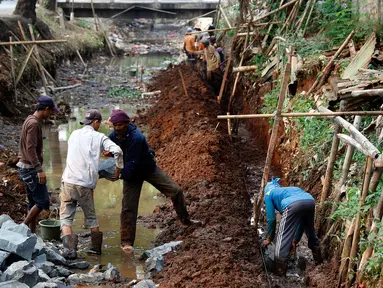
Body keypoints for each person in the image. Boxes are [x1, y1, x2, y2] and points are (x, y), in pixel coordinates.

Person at [108, 109, 197, 253]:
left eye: (120, 125)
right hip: (132, 175)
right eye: (114, 125)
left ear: (126, 124)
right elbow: (108, 149)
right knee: (128, 207)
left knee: (176, 191)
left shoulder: (137, 138)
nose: (117, 128)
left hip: (147, 169)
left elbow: (132, 163)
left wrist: (118, 174)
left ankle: (186, 220)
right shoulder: (114, 135)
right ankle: (126, 242)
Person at [60, 109, 123, 259]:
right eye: (99, 123)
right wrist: (117, 172)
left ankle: (70, 251)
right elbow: (118, 151)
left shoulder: (74, 134)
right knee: (91, 218)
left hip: (68, 181)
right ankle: (95, 250)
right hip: (85, 184)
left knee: (66, 219)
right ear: (95, 122)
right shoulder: (99, 137)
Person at [262, 178, 322, 275]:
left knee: (283, 235)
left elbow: (271, 219)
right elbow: (301, 222)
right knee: (310, 230)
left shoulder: (268, 194)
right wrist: (295, 240)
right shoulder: (288, 190)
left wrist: (269, 238)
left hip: (292, 204)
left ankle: (279, 272)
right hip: (310, 201)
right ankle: (319, 262)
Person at [17, 95, 59, 233]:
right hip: (30, 168)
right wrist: (39, 169)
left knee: (33, 202)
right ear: (46, 109)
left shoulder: (29, 119)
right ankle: (22, 228)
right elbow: (30, 148)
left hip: (24, 167)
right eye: (51, 112)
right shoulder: (34, 123)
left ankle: (32, 234)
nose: (51, 115)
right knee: (43, 202)